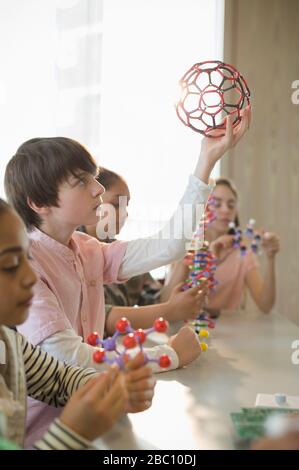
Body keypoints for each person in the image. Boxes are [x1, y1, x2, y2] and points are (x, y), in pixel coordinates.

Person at [4, 107, 251, 445]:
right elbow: (70, 360)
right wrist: (170, 355)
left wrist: (205, 161)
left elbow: (169, 246)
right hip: (46, 434)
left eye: (93, 177)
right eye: (81, 181)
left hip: (97, 420)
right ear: (38, 203)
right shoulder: (28, 265)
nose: (97, 190)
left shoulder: (86, 248)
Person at [0, 199, 155, 449]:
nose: (30, 276)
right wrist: (72, 431)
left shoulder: (7, 342)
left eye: (27, 259)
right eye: (9, 265)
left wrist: (112, 388)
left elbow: (58, 379)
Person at [79, 167, 209, 332]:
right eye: (116, 204)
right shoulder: (73, 251)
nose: (124, 213)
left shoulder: (121, 253)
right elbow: (99, 318)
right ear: (93, 198)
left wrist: (184, 262)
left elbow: (159, 301)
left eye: (126, 206)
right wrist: (171, 310)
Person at [167, 177, 280, 315]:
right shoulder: (187, 246)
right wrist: (191, 253)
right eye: (217, 204)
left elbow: (265, 305)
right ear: (204, 209)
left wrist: (270, 258)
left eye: (231, 205)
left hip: (230, 333)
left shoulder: (242, 252)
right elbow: (166, 302)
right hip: (186, 331)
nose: (226, 210)